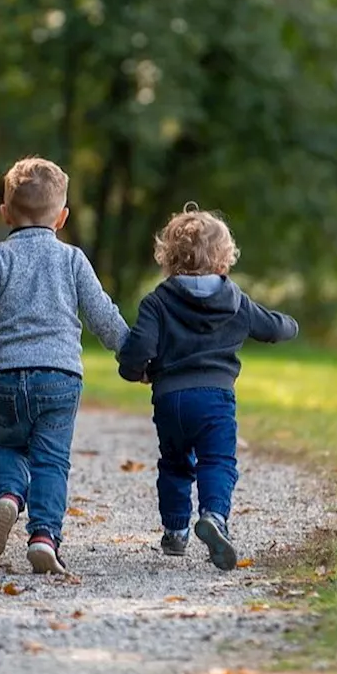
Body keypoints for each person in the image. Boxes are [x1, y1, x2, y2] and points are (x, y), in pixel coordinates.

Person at [0, 157, 129, 574]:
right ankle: (43, 536)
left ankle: (7, 496)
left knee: (11, 446)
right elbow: (102, 314)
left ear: (4, 214)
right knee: (51, 460)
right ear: (63, 217)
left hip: (7, 376)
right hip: (59, 377)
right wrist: (134, 354)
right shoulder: (73, 260)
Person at [116, 203, 299, 570]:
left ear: (168, 259)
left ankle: (175, 531)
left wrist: (136, 372)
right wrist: (291, 324)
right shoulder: (235, 301)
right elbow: (273, 328)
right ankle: (214, 517)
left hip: (170, 400)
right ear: (223, 260)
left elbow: (139, 349)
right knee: (217, 460)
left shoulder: (157, 301)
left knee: (174, 463)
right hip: (216, 400)